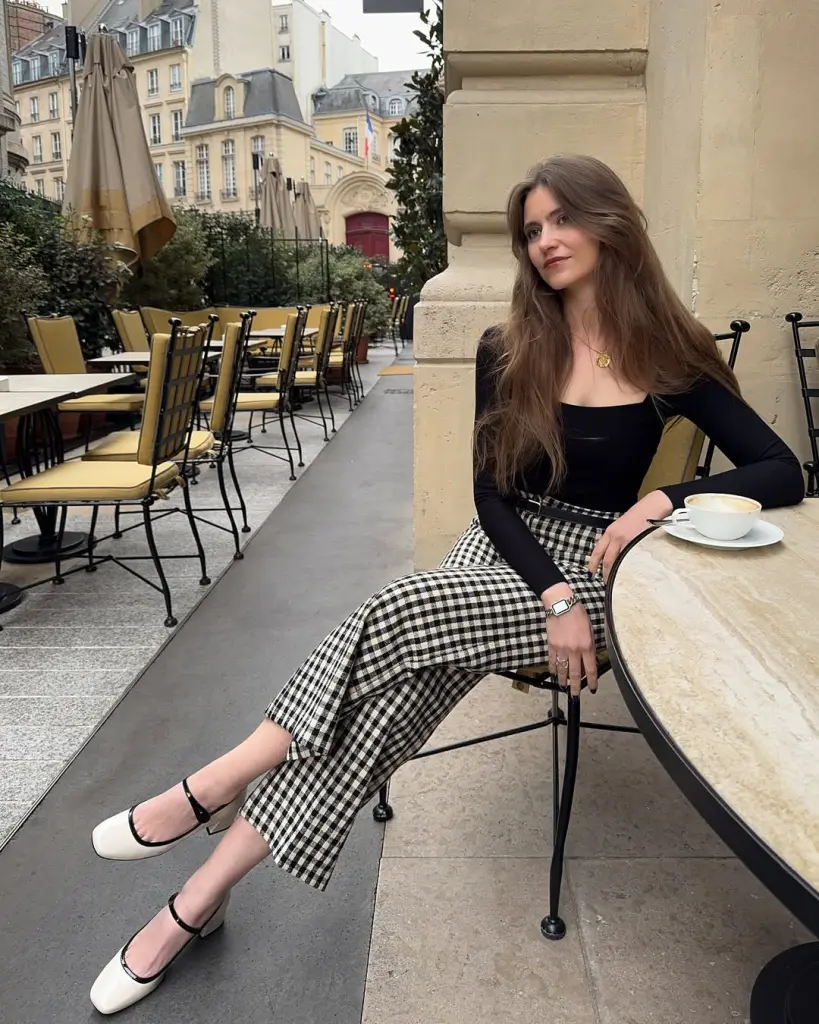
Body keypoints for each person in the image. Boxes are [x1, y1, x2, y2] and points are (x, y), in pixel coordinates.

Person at [88, 154, 805, 1014]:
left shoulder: (669, 354)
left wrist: (659, 500)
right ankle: (200, 895)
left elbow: (781, 468)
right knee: (385, 703)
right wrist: (552, 596)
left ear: (608, 224)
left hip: (608, 568)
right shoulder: (508, 345)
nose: (543, 243)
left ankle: (208, 796)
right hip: (511, 547)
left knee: (394, 610)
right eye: (529, 230)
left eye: (558, 222)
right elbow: (490, 496)